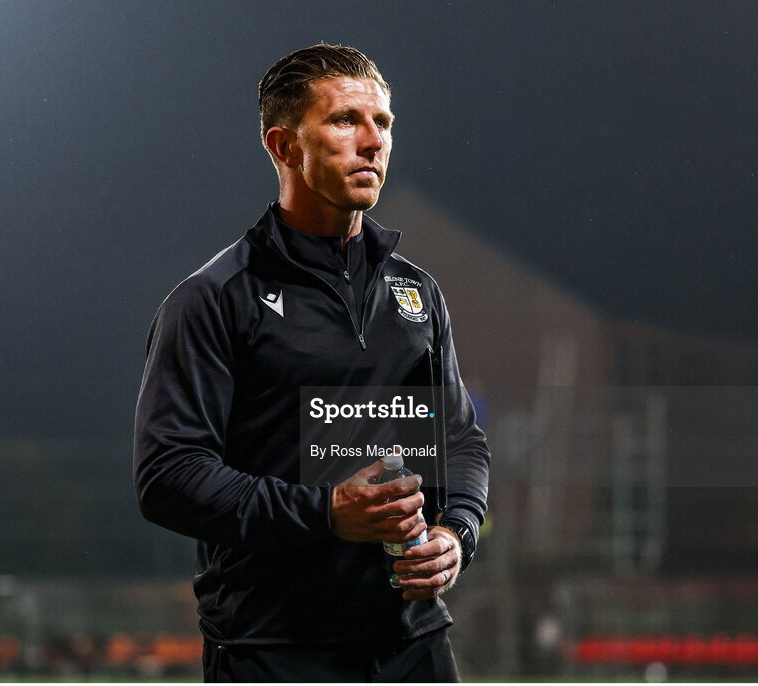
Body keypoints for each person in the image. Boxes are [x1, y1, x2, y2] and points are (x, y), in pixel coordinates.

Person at [133, 44, 490, 682]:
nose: (373, 141)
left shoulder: (417, 294)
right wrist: (326, 513)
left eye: (383, 123)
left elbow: (457, 438)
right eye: (346, 120)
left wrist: (456, 531)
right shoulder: (214, 299)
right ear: (284, 145)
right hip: (275, 646)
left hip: (411, 642)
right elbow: (169, 476)